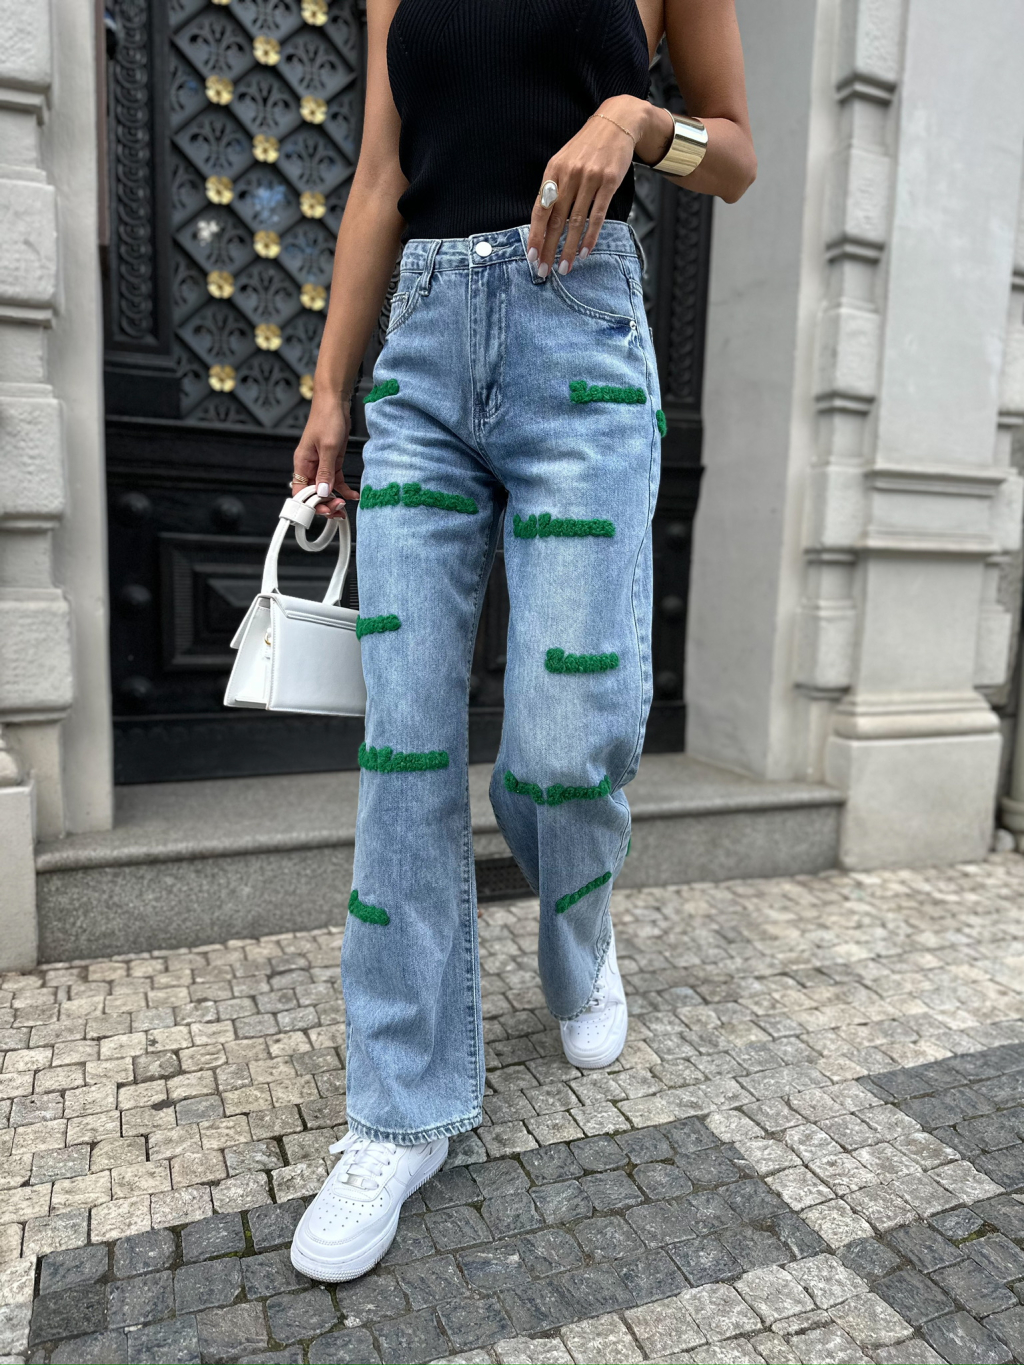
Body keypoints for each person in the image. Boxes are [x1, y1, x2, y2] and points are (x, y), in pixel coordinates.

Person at [286, 0, 756, 1283]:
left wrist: (638, 120)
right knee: (404, 750)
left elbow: (732, 154)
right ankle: (397, 1112)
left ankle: (579, 923)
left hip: (580, 348)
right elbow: (379, 179)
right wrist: (330, 389)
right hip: (423, 363)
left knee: (563, 737)